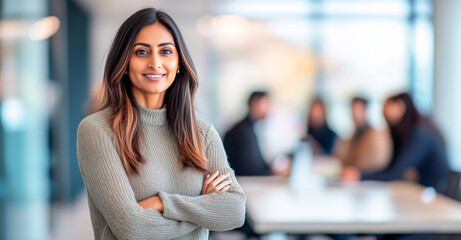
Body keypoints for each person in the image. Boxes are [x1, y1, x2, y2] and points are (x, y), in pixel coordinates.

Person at [77, 8, 245, 239]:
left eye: (166, 51)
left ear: (178, 63)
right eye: (141, 52)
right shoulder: (97, 130)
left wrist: (160, 203)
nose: (155, 63)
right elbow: (132, 228)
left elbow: (235, 211)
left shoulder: (202, 134)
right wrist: (203, 208)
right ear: (124, 63)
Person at [343, 92, 449, 192]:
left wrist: (361, 176)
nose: (383, 112)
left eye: (387, 107)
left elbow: (395, 173)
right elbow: (392, 169)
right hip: (418, 191)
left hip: (432, 194)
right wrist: (360, 175)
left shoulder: (420, 133)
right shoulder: (403, 133)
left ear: (400, 106)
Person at [223, 91, 273, 176]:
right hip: (244, 183)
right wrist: (273, 172)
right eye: (266, 104)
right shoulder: (243, 132)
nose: (269, 108)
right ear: (255, 104)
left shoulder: (246, 128)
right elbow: (251, 170)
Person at [341, 96, 391, 173]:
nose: (355, 114)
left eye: (358, 110)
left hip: (368, 179)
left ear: (365, 110)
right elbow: (345, 161)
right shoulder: (353, 136)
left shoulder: (375, 136)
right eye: (353, 110)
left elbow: (374, 165)